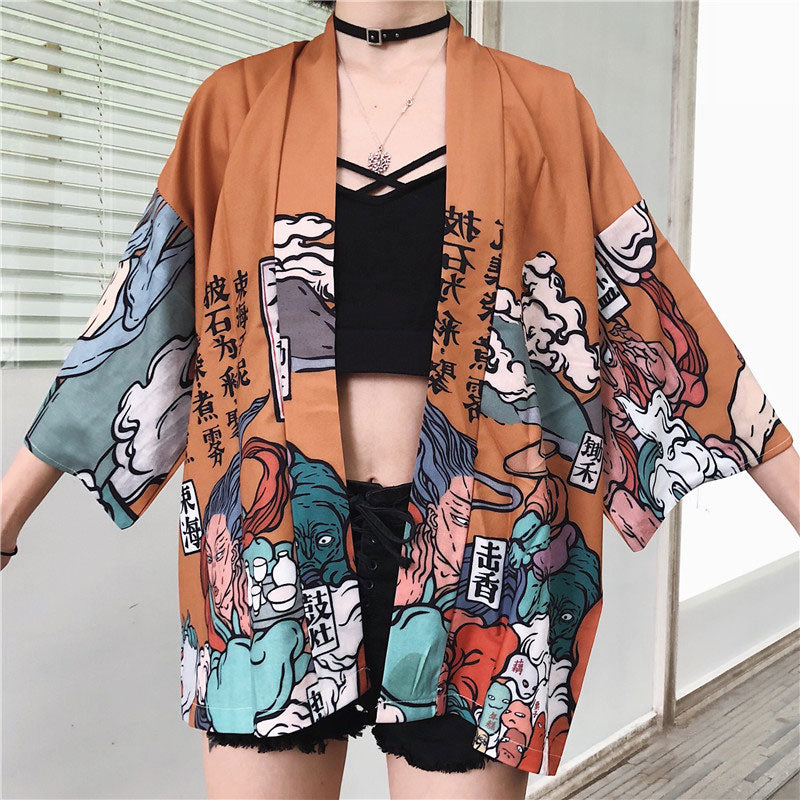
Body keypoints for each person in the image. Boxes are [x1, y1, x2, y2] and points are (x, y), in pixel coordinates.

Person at [2, 2, 797, 800]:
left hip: (478, 547)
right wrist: (6, 518)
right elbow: (139, 321)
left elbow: (658, 313)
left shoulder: (543, 107)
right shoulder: (235, 105)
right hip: (271, 538)